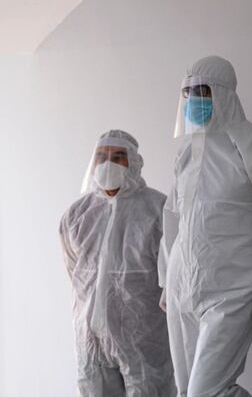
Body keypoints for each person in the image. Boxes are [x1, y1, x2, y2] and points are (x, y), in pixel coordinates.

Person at [158, 55, 252, 397]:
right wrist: (167, 279)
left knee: (205, 392)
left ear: (223, 93)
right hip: (183, 286)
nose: (193, 100)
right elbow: (172, 218)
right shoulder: (186, 152)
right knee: (185, 391)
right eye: (188, 93)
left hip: (232, 289)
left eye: (202, 91)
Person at [59, 129, 175, 396]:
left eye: (118, 156)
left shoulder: (158, 209)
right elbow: (74, 269)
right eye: (101, 156)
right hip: (90, 337)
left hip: (142, 335)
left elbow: (172, 273)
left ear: (134, 162)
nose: (108, 162)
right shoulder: (77, 214)